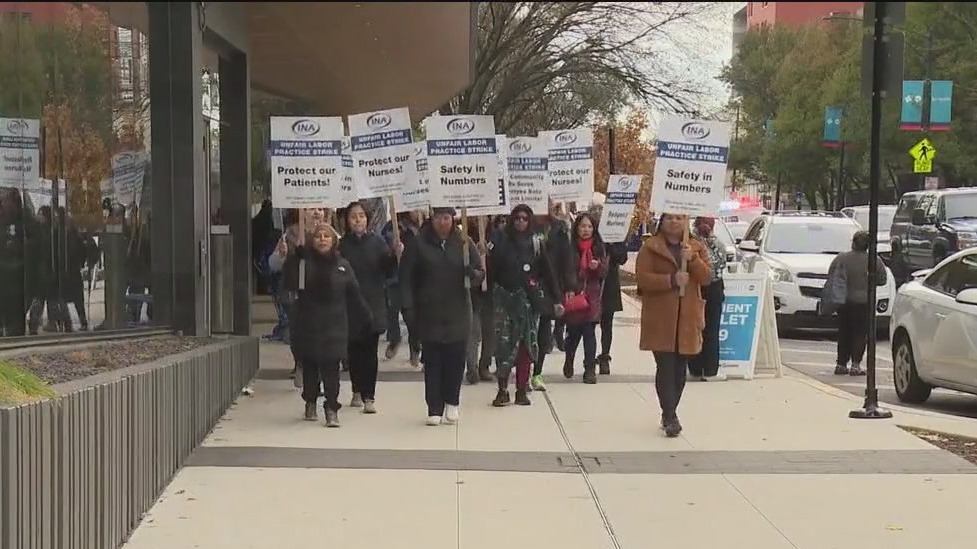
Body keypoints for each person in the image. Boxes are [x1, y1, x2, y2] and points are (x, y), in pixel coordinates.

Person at [400, 207, 482, 425]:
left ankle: (452, 401)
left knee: (455, 360)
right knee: (434, 361)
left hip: (458, 311)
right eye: (438, 218)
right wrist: (408, 307)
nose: (443, 222)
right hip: (429, 311)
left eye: (447, 218)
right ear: (432, 218)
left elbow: (480, 272)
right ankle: (434, 406)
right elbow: (406, 277)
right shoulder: (419, 244)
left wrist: (472, 274)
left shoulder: (464, 242)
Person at [634, 213, 711, 437]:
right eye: (670, 218)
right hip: (660, 318)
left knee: (679, 370)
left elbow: (707, 278)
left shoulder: (695, 246)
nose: (675, 222)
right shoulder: (651, 247)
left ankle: (671, 409)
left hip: (687, 318)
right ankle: (670, 415)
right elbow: (642, 278)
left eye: (679, 218)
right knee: (665, 367)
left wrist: (693, 260)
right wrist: (670, 280)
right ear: (662, 222)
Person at [287, 222, 371, 427]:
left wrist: (366, 317)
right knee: (311, 368)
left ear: (334, 241)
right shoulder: (303, 263)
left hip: (335, 326)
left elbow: (354, 295)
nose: (322, 239)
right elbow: (289, 284)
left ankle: (332, 408)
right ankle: (310, 400)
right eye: (318, 236)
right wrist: (293, 259)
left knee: (331, 369)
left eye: (327, 236)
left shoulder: (342, 266)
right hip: (309, 324)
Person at [487, 204, 560, 406]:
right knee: (502, 347)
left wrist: (556, 299)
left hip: (528, 303)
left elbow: (548, 271)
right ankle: (502, 389)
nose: (520, 222)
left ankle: (521, 389)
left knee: (525, 347)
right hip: (504, 301)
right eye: (517, 218)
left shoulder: (536, 243)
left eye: (524, 218)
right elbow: (491, 270)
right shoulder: (500, 240)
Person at [339, 201, 401, 413]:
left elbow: (388, 269)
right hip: (349, 304)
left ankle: (369, 396)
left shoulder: (377, 242)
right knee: (353, 351)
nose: (358, 220)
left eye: (361, 216)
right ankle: (356, 389)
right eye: (353, 216)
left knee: (369, 352)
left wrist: (395, 255)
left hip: (373, 302)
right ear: (347, 221)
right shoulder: (342, 245)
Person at [827, 230, 887, 376]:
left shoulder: (841, 259)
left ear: (854, 242)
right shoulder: (874, 260)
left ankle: (841, 364)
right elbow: (882, 280)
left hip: (844, 301)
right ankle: (855, 365)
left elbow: (831, 275)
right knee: (860, 334)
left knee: (844, 332)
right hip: (863, 302)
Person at [561, 212, 609, 384]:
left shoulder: (598, 247)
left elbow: (605, 272)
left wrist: (597, 267)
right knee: (573, 333)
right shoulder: (570, 247)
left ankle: (589, 369)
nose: (586, 230)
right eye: (583, 226)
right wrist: (569, 288)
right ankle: (569, 359)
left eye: (589, 226)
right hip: (574, 293)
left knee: (589, 333)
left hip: (592, 295)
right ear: (577, 228)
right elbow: (564, 270)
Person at [689, 216, 727, 381]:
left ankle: (708, 369)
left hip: (712, 288)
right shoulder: (691, 242)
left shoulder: (714, 243)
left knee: (710, 329)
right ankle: (698, 367)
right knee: (697, 328)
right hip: (698, 288)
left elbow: (718, 264)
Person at [381, 212, 422, 366]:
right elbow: (383, 249)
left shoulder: (419, 228)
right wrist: (393, 250)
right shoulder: (392, 227)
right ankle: (394, 339)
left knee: (411, 317)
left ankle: (415, 348)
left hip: (412, 279)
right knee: (391, 312)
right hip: (394, 278)